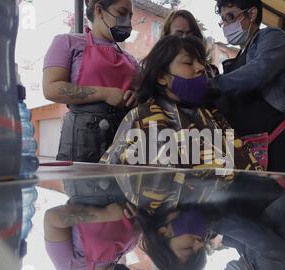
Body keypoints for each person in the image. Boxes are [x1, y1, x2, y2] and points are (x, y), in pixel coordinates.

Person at [103, 35, 262, 171]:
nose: (200, 67)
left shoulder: (214, 115)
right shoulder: (141, 118)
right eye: (188, 63)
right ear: (161, 76)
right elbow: (112, 177)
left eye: (201, 62)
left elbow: (243, 171)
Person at [210, 0, 285, 173]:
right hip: (251, 146)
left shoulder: (272, 37)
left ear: (251, 14)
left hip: (278, 145)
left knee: (274, 198)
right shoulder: (240, 55)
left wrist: (211, 86)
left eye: (231, 17)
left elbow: (259, 71)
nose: (226, 26)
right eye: (223, 20)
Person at [43, 0, 139, 163]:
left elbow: (145, 95)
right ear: (99, 10)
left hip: (125, 140)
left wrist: (136, 97)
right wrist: (104, 93)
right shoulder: (67, 42)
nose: (127, 22)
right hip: (82, 142)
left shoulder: (130, 59)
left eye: (130, 16)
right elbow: (51, 88)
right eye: (121, 13)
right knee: (82, 187)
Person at [44, 177, 139, 270]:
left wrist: (105, 214)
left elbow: (52, 218)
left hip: (85, 175)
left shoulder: (68, 263)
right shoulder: (129, 246)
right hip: (123, 171)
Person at [162, 10, 219, 77]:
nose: (185, 39)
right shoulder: (157, 71)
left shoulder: (211, 72)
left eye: (190, 34)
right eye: (179, 34)